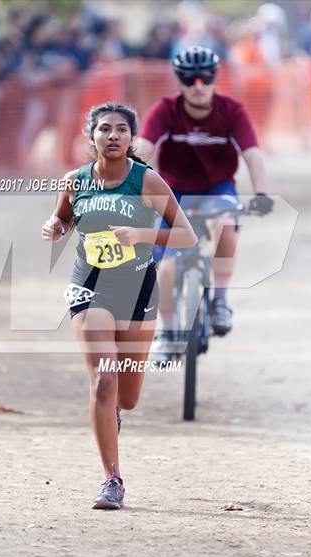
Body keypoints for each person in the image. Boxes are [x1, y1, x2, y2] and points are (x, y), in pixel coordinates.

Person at [42, 102, 196, 509]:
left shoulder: (146, 182)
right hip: (89, 289)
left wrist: (142, 232)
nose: (113, 136)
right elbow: (63, 220)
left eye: (121, 130)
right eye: (105, 129)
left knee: (126, 397)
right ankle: (112, 479)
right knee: (104, 379)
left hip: (137, 291)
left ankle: (114, 415)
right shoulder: (75, 181)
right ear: (90, 137)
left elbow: (186, 237)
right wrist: (54, 227)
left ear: (131, 138)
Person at [135, 45, 273, 358]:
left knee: (225, 224)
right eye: (189, 79)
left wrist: (262, 194)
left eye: (206, 78)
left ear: (214, 79)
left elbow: (252, 154)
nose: (198, 86)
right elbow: (143, 148)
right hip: (172, 192)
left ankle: (221, 301)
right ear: (180, 81)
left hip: (216, 188)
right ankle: (168, 332)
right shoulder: (166, 110)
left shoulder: (232, 111)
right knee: (166, 266)